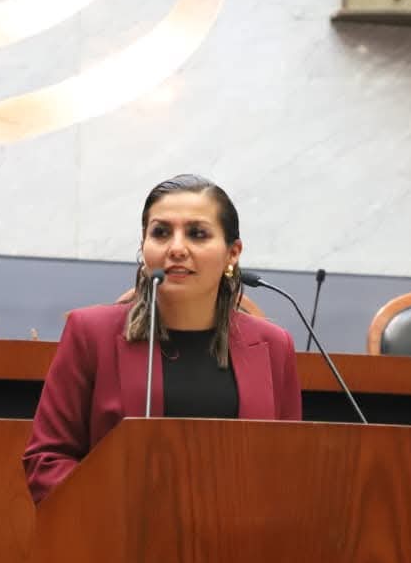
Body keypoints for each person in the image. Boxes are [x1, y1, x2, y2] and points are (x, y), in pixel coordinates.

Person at [22, 175, 302, 504]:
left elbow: (290, 467)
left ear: (233, 253)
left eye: (197, 234)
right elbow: (46, 461)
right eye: (161, 232)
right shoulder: (90, 334)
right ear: (144, 246)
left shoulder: (274, 345)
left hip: (241, 532)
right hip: (119, 531)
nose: (176, 248)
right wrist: (117, 509)